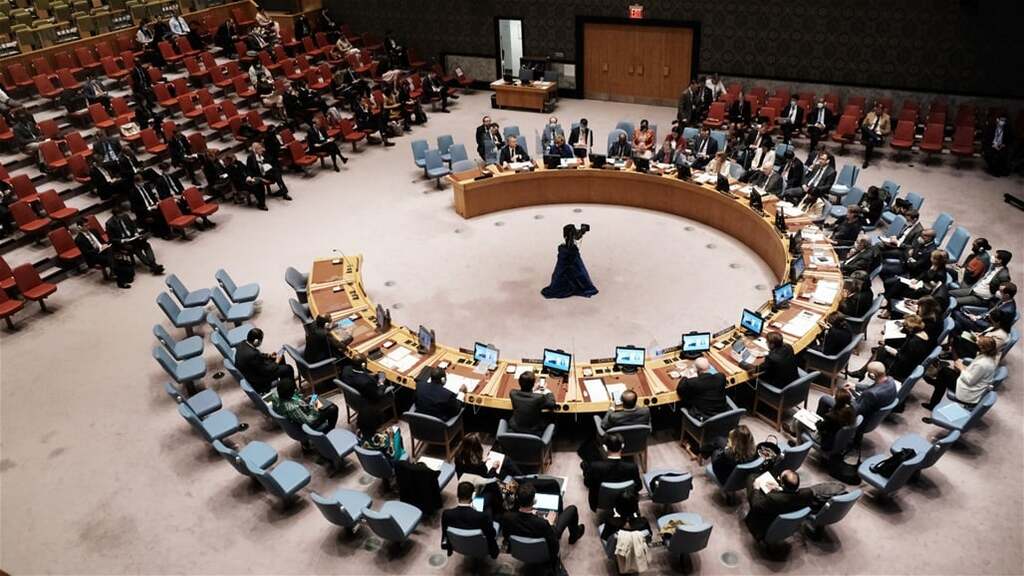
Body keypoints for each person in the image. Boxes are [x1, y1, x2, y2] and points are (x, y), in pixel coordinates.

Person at [501, 482, 585, 573]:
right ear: (534, 501)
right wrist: (550, 523)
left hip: (520, 552)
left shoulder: (507, 517)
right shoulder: (542, 523)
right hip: (545, 554)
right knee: (572, 509)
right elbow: (554, 547)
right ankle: (574, 536)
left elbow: (506, 536)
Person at [922, 336, 999, 413]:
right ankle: (936, 390)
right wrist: (962, 369)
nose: (975, 344)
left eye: (977, 344)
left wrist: (961, 368)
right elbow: (974, 373)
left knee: (944, 373)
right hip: (972, 385)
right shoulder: (988, 357)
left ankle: (934, 398)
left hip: (969, 391)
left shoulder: (982, 364)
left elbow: (970, 381)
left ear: (982, 348)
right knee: (944, 374)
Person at [744, 470, 815, 542]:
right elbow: (790, 497)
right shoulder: (808, 493)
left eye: (779, 478)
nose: (778, 478)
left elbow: (755, 505)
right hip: (787, 524)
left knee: (751, 479)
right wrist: (780, 489)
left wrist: (756, 489)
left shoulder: (774, 498)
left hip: (765, 524)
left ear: (783, 484)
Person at [582, 433, 641, 512]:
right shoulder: (632, 467)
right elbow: (639, 487)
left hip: (600, 502)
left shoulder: (595, 467)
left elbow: (587, 483)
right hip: (626, 502)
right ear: (622, 446)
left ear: (605, 448)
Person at [442, 482, 499, 558]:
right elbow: (492, 534)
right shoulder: (483, 516)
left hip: (459, 546)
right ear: (473, 495)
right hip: (481, 547)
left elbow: (445, 534)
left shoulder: (447, 514)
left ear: (457, 495)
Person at [541, 224, 598, 299]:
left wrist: (582, 231)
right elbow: (577, 237)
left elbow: (577, 236)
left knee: (564, 271)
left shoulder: (569, 237)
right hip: (569, 253)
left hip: (568, 253)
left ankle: (570, 283)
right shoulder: (570, 238)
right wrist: (582, 231)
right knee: (576, 270)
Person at [234, 328, 294, 394]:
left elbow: (257, 355)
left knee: (280, 358)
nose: (261, 342)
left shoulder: (242, 343)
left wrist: (268, 355)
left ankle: (284, 385)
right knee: (288, 368)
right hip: (259, 381)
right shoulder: (252, 355)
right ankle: (290, 392)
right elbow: (266, 371)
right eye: (261, 340)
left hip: (253, 370)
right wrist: (276, 362)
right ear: (256, 341)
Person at [269, 375, 339, 433]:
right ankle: (328, 431)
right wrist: (314, 408)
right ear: (289, 394)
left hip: (299, 413)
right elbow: (309, 422)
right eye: (293, 391)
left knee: (314, 399)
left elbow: (294, 397)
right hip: (305, 425)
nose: (295, 391)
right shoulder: (292, 408)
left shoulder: (275, 395)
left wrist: (303, 399)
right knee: (333, 409)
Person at [952, 282, 1016, 336]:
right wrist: (979, 316)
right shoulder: (1004, 299)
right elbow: (990, 311)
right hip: (983, 319)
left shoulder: (1006, 311)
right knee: (962, 311)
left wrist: (975, 320)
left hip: (983, 327)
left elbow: (993, 326)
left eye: (1000, 291)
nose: (997, 292)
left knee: (956, 313)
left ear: (1007, 295)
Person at [453, 432, 520, 479]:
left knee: (500, 456)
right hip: (480, 484)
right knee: (505, 462)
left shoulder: (458, 457)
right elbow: (488, 478)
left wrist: (483, 462)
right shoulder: (480, 466)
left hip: (466, 480)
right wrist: (493, 467)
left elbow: (471, 469)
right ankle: (521, 477)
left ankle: (520, 477)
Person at [508, 371, 556, 436]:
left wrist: (533, 389)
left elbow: (524, 395)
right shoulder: (539, 397)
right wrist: (548, 391)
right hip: (534, 430)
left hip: (516, 427)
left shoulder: (513, 393)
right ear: (533, 384)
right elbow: (552, 404)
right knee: (552, 417)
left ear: (519, 382)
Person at [246, 142, 290, 208]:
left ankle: (284, 192)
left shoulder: (264, 154)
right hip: (259, 174)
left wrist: (265, 163)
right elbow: (249, 169)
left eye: (261, 147)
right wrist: (249, 176)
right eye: (259, 148)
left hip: (267, 172)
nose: (261, 149)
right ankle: (262, 204)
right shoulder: (250, 157)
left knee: (277, 173)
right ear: (255, 150)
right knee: (258, 182)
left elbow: (272, 162)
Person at [128, 173, 170, 239]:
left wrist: (157, 202)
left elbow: (152, 196)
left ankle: (171, 230)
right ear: (136, 182)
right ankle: (164, 234)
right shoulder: (132, 192)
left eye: (142, 181)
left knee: (166, 208)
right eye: (140, 182)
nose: (142, 183)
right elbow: (135, 208)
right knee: (158, 214)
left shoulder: (146, 186)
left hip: (154, 205)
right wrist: (149, 207)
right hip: (145, 210)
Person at [860, 102, 891, 168]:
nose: (878, 111)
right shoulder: (869, 115)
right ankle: (875, 137)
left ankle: (866, 161)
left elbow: (888, 130)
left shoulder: (887, 117)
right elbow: (863, 125)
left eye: (880, 109)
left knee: (870, 141)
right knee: (863, 127)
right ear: (875, 109)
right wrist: (869, 129)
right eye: (877, 109)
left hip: (877, 133)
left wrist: (879, 130)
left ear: (883, 110)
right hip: (868, 132)